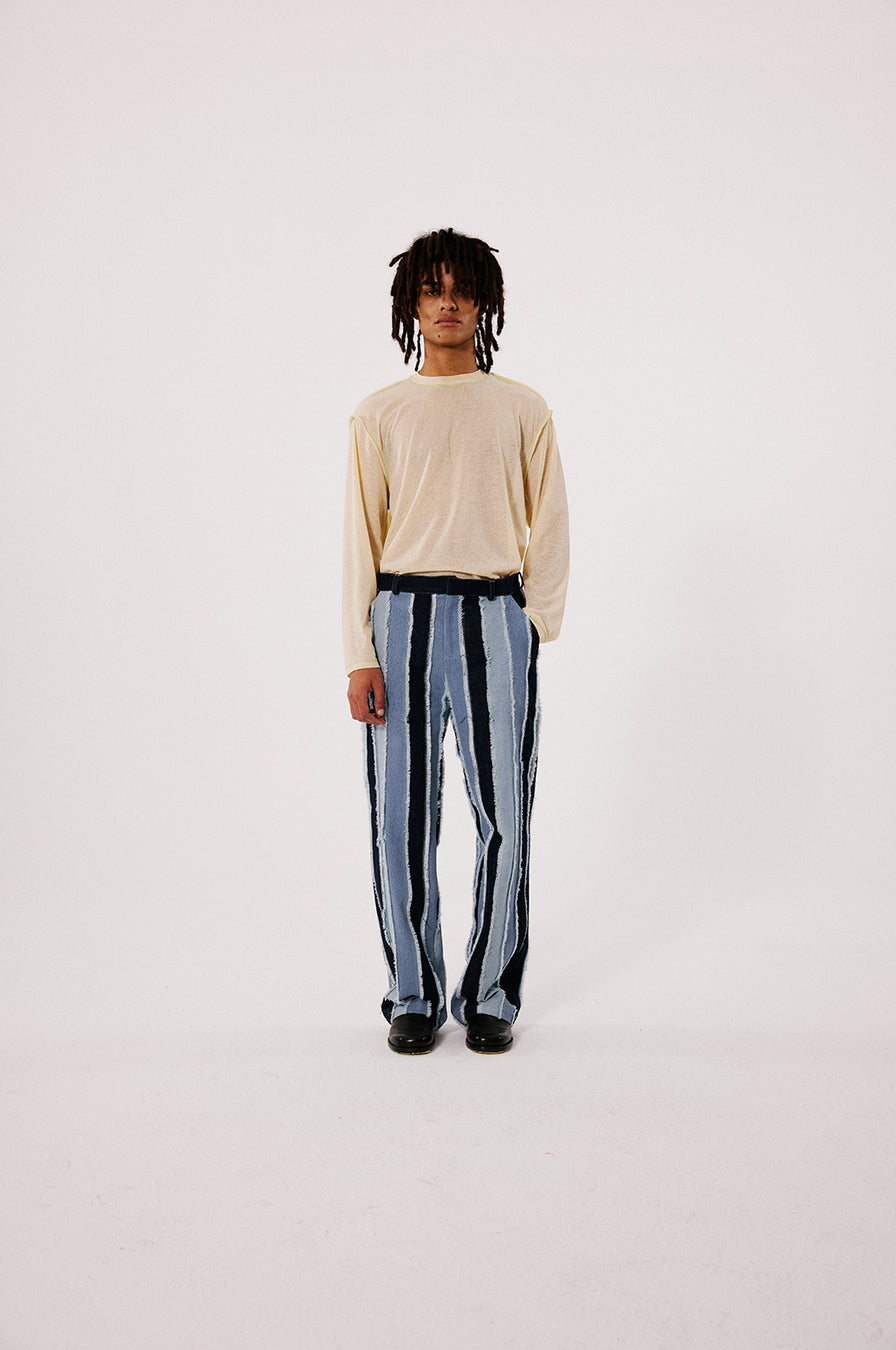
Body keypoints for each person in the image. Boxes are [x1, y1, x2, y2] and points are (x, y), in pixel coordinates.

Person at [342, 227, 569, 1055]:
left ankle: (492, 993)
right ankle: (412, 992)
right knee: (400, 817)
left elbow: (551, 522)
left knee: (505, 812)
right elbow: (360, 537)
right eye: (432, 288)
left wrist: (533, 623)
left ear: (484, 303)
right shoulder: (379, 413)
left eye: (462, 289)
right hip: (401, 617)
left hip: (494, 616)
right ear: (411, 303)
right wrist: (359, 653)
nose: (448, 303)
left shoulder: (521, 408)